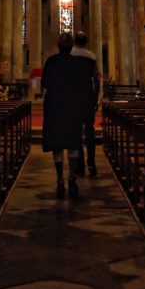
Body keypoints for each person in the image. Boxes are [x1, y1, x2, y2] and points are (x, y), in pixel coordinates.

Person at [41, 32, 95, 198]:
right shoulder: (78, 64)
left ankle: (59, 179)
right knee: (73, 143)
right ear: (72, 46)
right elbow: (83, 87)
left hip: (56, 106)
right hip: (72, 107)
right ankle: (71, 177)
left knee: (57, 145)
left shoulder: (51, 62)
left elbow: (45, 84)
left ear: (58, 46)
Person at [71, 30, 101, 176]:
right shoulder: (92, 56)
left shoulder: (69, 55)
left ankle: (80, 165)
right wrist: (95, 99)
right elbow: (96, 79)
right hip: (87, 96)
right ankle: (92, 164)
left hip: (74, 97)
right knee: (90, 131)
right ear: (86, 42)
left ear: (74, 41)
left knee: (76, 132)